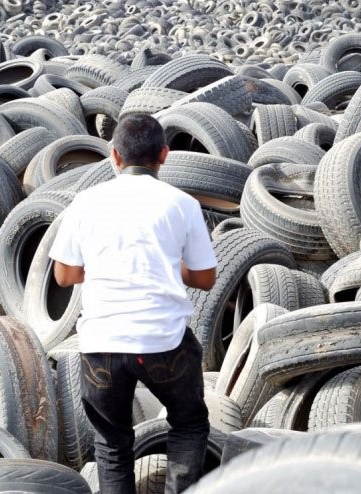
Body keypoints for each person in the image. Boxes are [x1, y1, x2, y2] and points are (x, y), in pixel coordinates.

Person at [48, 113, 217, 494]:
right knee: (188, 424)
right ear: (164, 155)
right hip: (164, 343)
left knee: (112, 445)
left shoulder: (85, 202)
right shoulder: (182, 204)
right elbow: (206, 279)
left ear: (114, 156)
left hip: (101, 346)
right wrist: (171, 270)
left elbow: (64, 276)